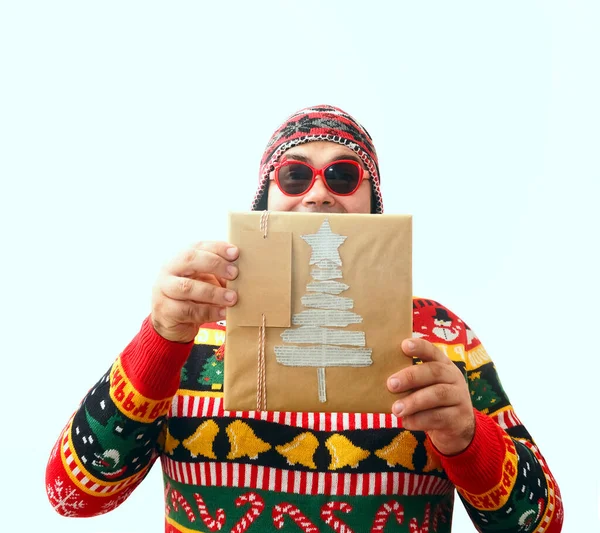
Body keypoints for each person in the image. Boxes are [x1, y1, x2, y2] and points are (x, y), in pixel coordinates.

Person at [46, 105, 563, 532]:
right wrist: (161, 338)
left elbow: (541, 525)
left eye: (343, 174)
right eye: (294, 175)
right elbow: (72, 495)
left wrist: (468, 437)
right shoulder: (191, 320)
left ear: (371, 204)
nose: (318, 192)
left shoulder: (438, 339)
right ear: (265, 202)